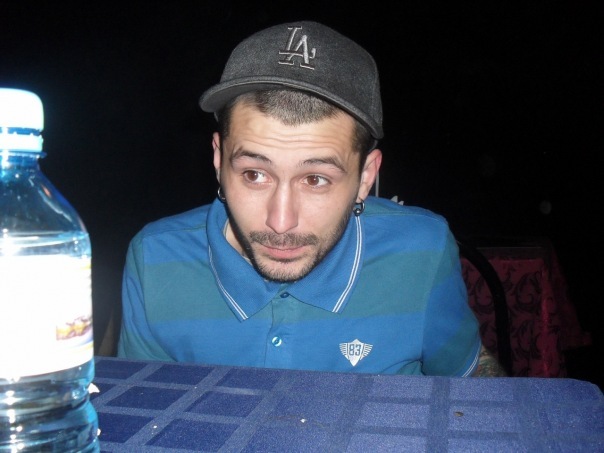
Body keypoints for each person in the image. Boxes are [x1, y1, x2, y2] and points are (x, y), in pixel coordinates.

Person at [117, 20, 505, 377]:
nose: (280, 221)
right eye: (254, 174)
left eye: (315, 179)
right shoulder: (154, 261)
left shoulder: (422, 252)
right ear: (219, 160)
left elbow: (475, 384)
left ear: (365, 177)